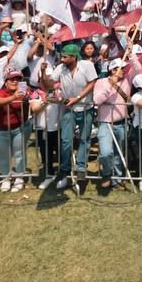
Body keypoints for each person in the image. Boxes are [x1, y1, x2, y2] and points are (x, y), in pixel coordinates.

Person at [47, 43, 97, 190]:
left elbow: (92, 83)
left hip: (86, 108)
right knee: (65, 141)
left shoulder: (87, 65)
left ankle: (81, 169)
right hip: (69, 109)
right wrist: (43, 74)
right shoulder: (60, 68)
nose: (62, 59)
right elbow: (49, 83)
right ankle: (64, 171)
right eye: (61, 56)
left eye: (65, 57)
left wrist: (78, 97)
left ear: (74, 57)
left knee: (84, 139)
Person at [92, 59, 132, 189]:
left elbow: (137, 67)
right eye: (122, 68)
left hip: (121, 122)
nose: (124, 71)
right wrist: (110, 85)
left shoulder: (127, 80)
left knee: (119, 153)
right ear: (113, 70)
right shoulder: (101, 82)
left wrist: (131, 52)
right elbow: (97, 100)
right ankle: (107, 174)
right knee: (105, 152)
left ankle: (117, 179)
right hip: (105, 122)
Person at [0, 70, 29, 192]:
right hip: (1, 130)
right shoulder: (0, 92)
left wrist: (26, 98)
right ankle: (5, 179)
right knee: (4, 156)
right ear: (6, 82)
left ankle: (19, 178)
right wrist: (13, 97)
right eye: (12, 79)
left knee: (19, 154)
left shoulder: (23, 92)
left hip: (18, 128)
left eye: (18, 79)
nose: (15, 81)